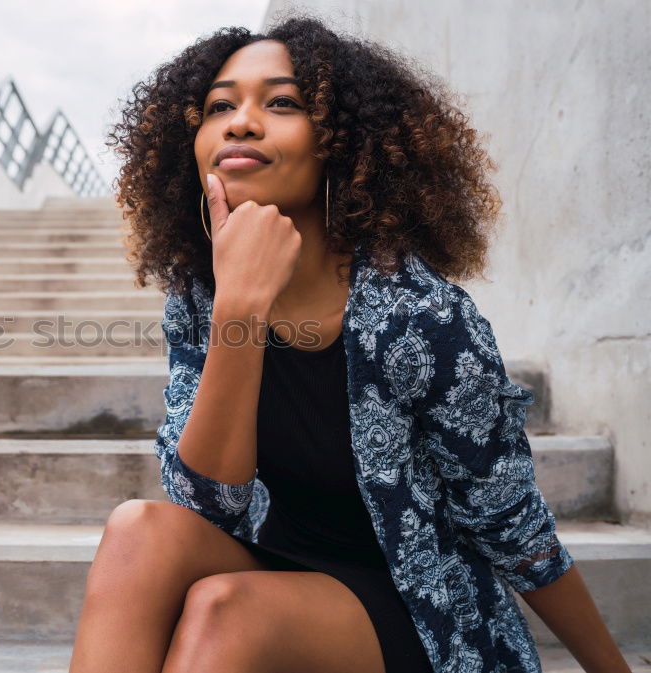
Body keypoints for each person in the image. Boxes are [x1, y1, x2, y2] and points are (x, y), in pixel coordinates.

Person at [69, 12, 632, 673]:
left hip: (417, 607)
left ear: (340, 143)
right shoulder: (201, 293)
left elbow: (512, 528)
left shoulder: (423, 316)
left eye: (281, 103)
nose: (240, 122)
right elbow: (206, 501)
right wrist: (238, 309)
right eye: (219, 105)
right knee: (139, 533)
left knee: (226, 612)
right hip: (280, 563)